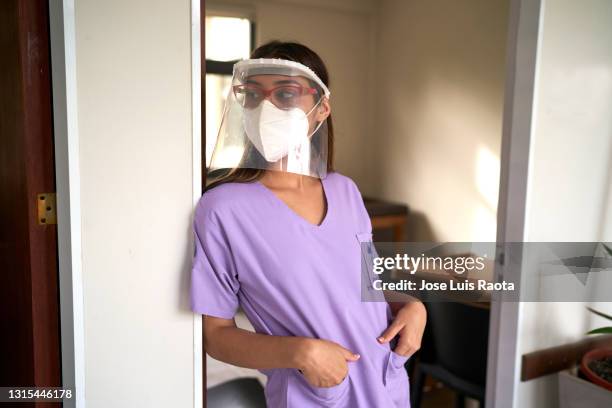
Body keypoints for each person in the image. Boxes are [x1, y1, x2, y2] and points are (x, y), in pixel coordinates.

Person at [190, 40, 426, 407]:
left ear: (321, 109)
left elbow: (365, 287)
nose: (264, 108)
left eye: (285, 94)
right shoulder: (222, 208)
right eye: (252, 96)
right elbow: (215, 335)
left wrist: (410, 306)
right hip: (314, 394)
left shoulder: (345, 190)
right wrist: (300, 353)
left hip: (385, 385)